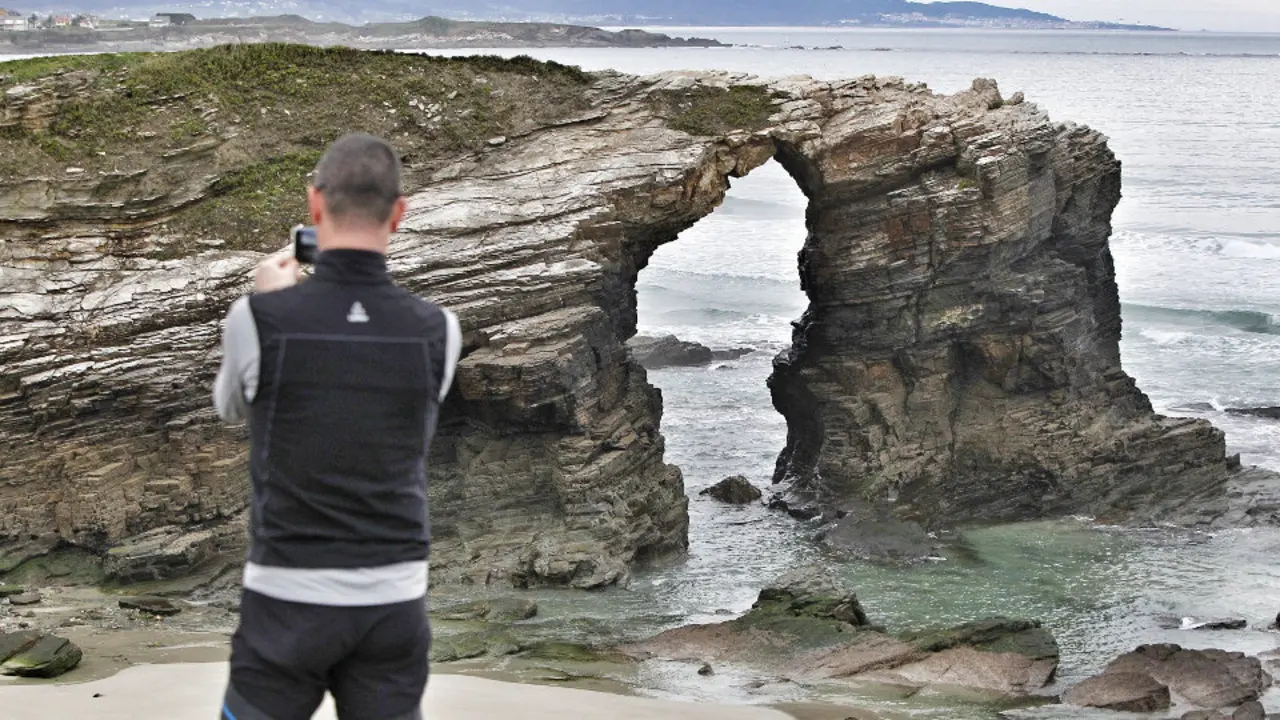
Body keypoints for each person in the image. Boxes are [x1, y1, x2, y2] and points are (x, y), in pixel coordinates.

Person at [212, 133, 461, 720]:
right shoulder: (439, 329)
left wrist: (268, 301)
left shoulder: (260, 317)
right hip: (393, 599)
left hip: (286, 596)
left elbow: (229, 407)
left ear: (314, 205)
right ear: (399, 214)